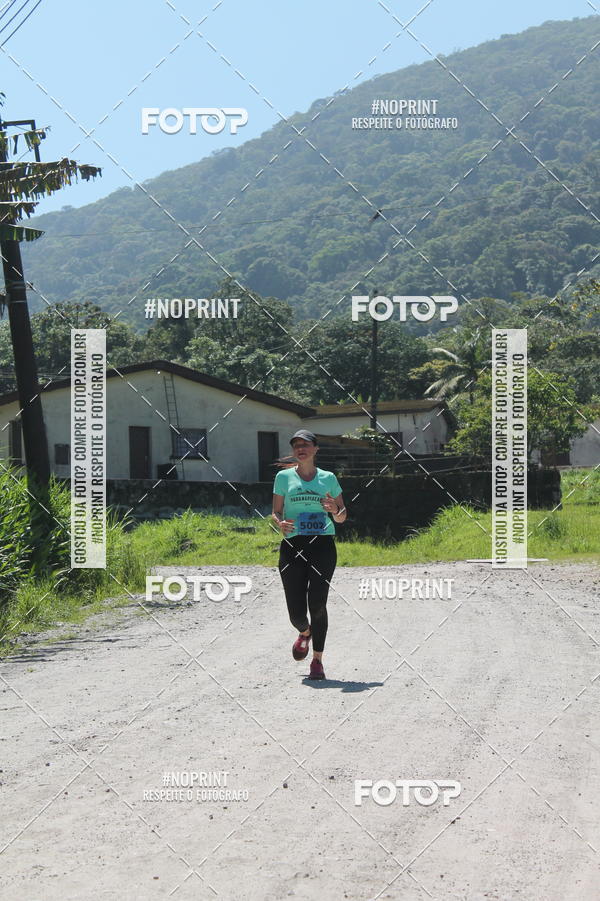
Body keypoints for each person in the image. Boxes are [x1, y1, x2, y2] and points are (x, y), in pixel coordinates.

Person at [272, 429, 346, 680]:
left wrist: (334, 508)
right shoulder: (283, 477)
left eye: (305, 444)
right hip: (293, 546)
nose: (300, 448)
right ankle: (304, 633)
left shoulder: (328, 478)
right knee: (296, 613)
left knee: (317, 603)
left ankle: (317, 661)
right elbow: (276, 512)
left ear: (315, 449)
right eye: (296, 445)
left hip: (322, 545)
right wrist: (279, 524)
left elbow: (342, 515)